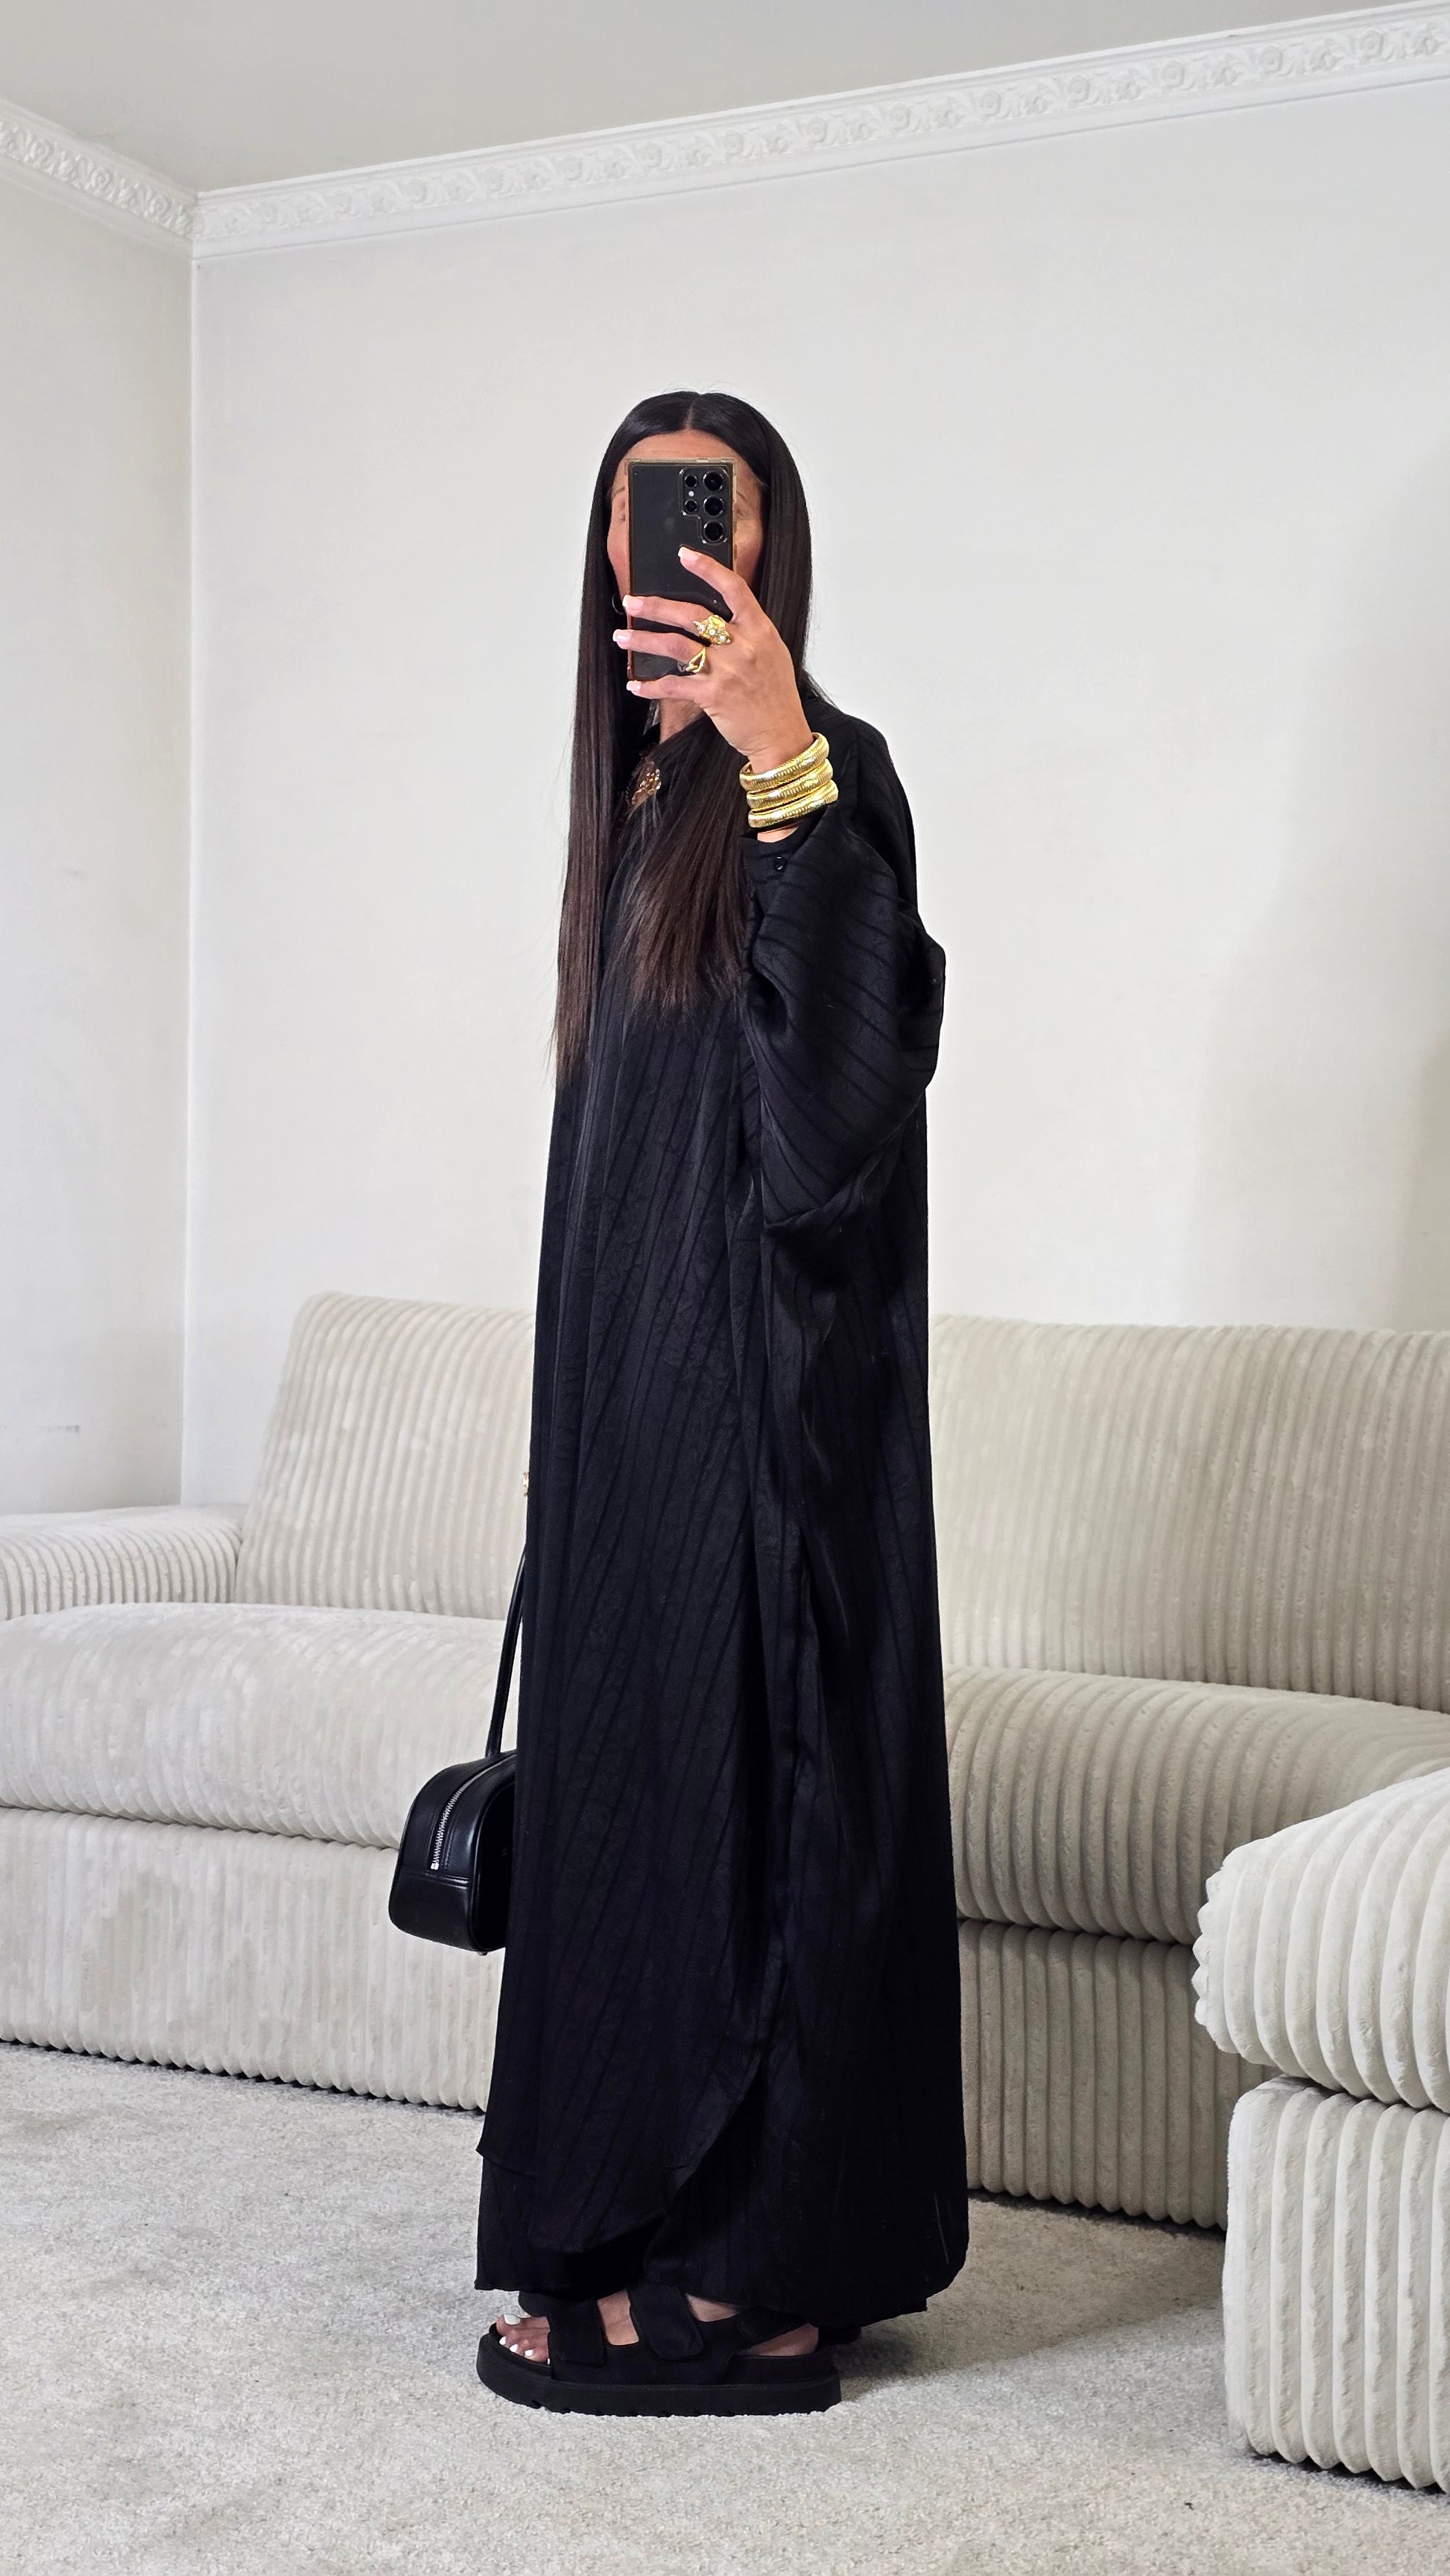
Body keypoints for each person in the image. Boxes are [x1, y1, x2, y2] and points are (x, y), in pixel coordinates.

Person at [474, 389, 968, 2417]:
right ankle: (623, 2236)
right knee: (634, 1806)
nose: (669, 545)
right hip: (631, 1424)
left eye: (709, 512)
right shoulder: (628, 802)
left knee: (765, 1807)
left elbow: (836, 1118)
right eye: (639, 516)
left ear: (768, 550)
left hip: (772, 1424)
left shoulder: (827, 777)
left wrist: (783, 766)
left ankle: (758, 2282)